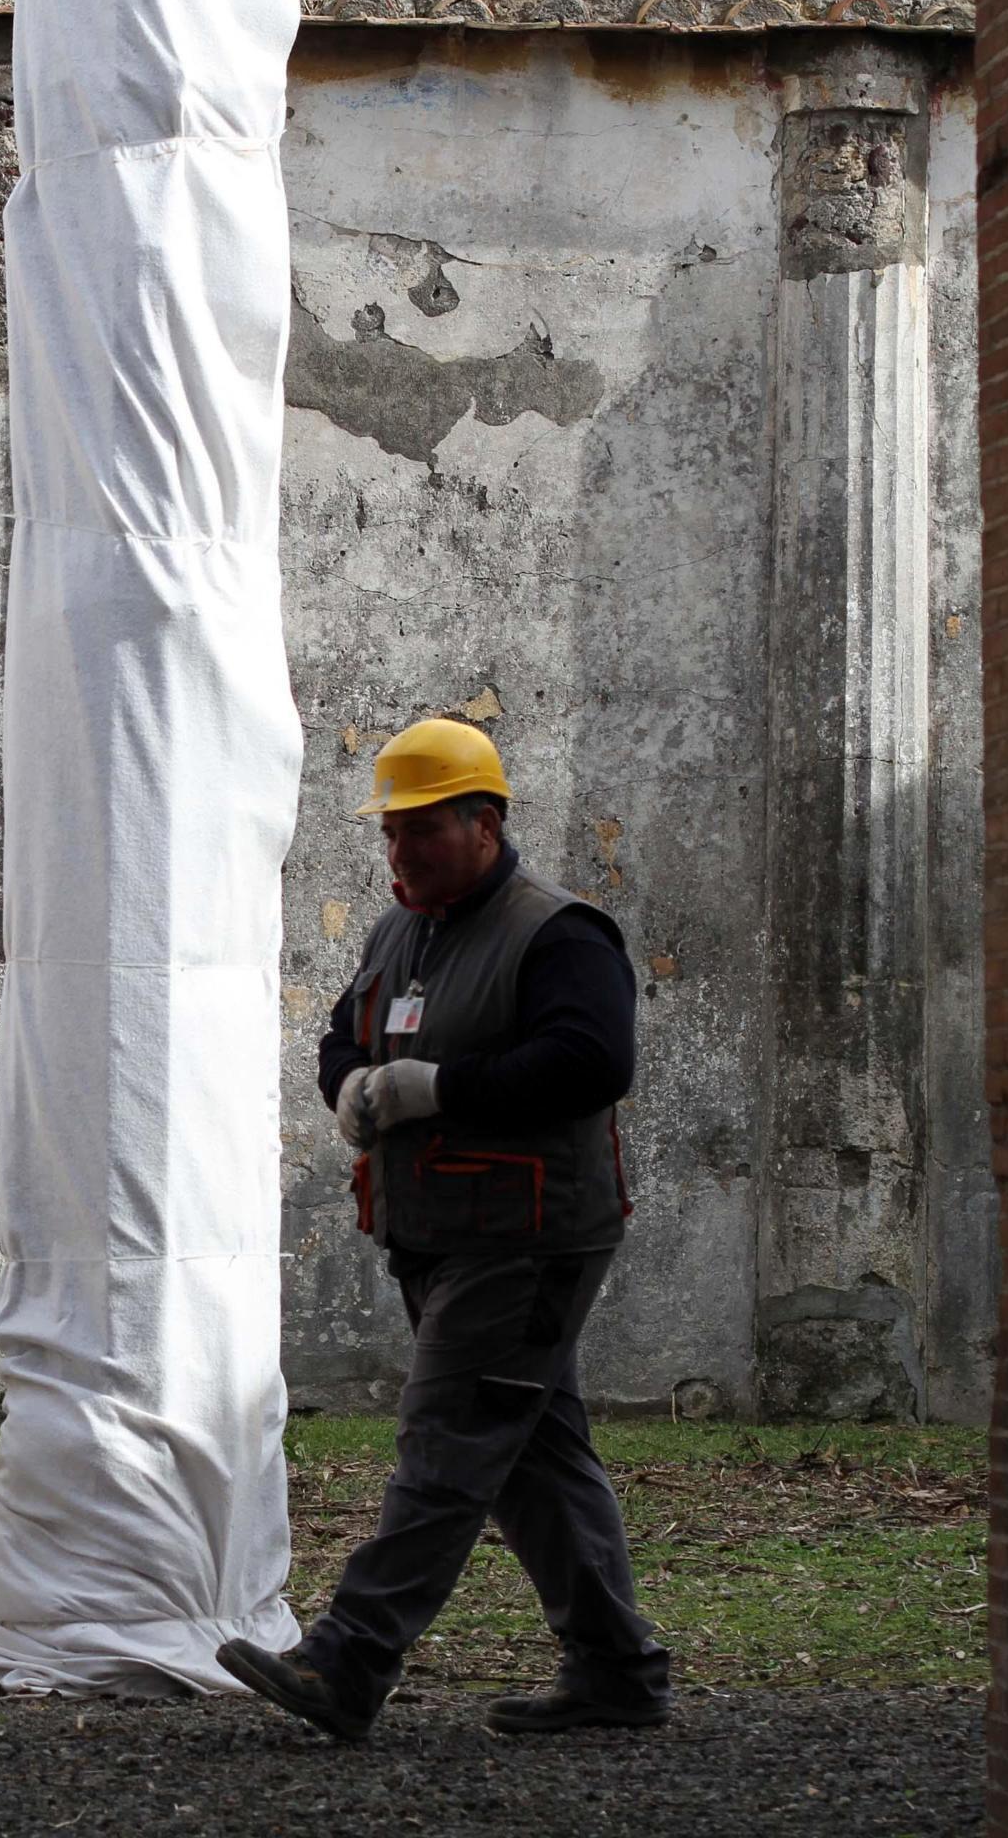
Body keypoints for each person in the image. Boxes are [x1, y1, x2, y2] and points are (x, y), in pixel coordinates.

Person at [216, 718, 674, 1739]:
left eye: (421, 830)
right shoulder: (402, 931)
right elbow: (346, 1030)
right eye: (391, 833)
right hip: (438, 1233)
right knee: (533, 1456)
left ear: (485, 820)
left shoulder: (559, 932)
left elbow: (592, 1061)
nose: (400, 852)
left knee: (450, 1436)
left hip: (529, 1237)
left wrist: (435, 1088)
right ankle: (617, 1670)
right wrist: (351, 1087)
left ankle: (350, 1658)